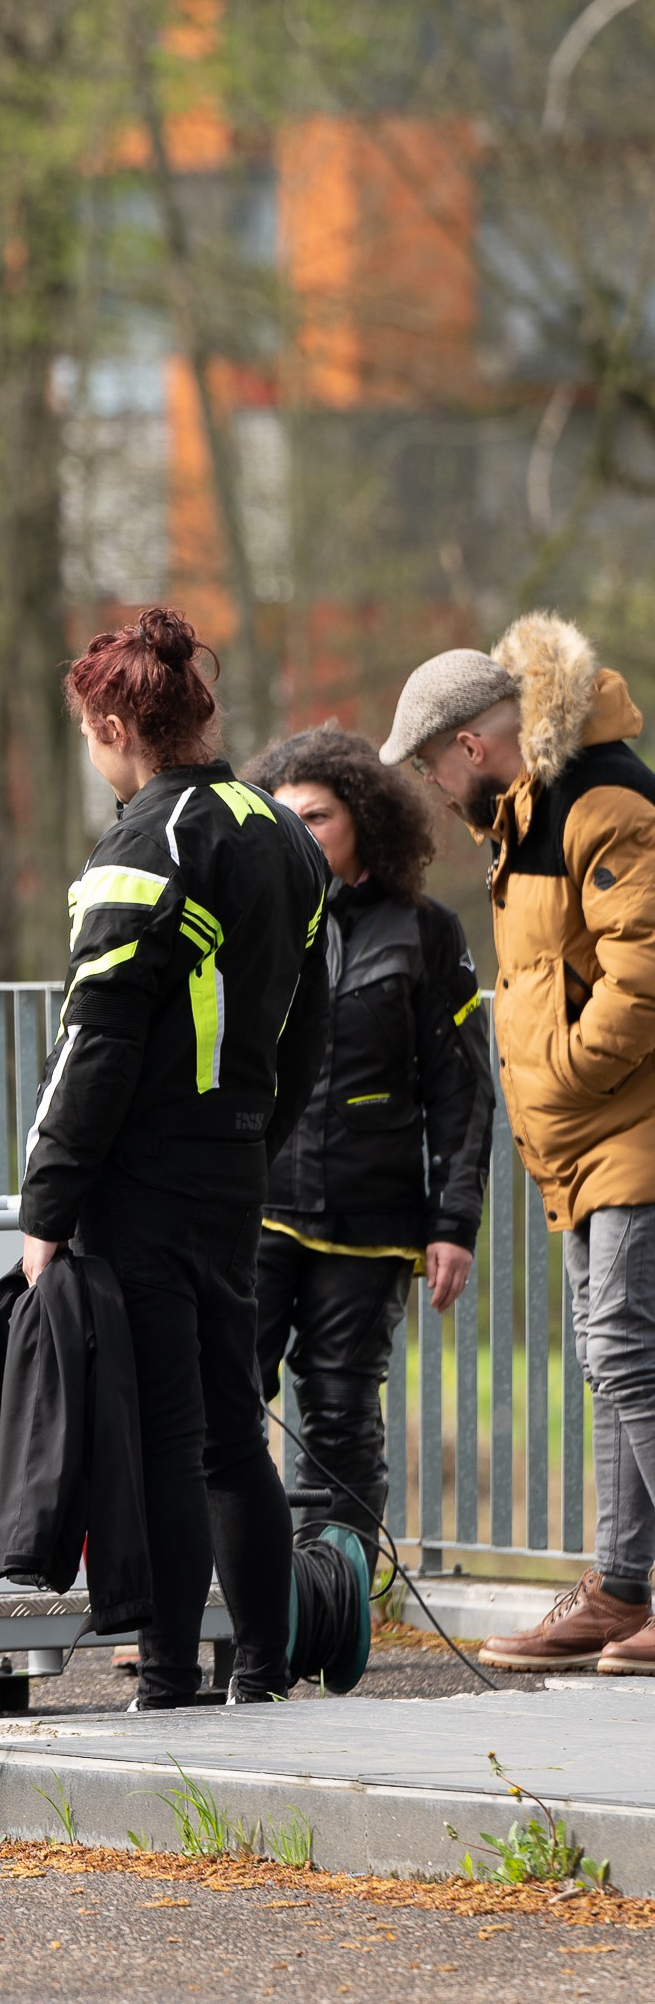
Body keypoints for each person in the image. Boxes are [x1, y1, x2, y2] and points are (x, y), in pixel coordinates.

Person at [17, 607, 332, 1707]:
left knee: (160, 1428)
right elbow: (308, 1031)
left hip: (141, 1180)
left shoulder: (147, 839)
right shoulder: (284, 833)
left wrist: (45, 1203)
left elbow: (94, 1039)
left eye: (90, 733)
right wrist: (254, 1137)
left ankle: (162, 1678)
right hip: (234, 1166)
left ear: (114, 722)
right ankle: (262, 1669)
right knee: (232, 1428)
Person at [385, 613, 655, 1675]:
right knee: (607, 1358)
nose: (443, 804)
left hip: (628, 1126)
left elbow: (642, 973)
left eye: (437, 775)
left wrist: (562, 1078)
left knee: (630, 1349)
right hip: (589, 1139)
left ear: (472, 746)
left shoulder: (605, 802)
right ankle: (623, 1584)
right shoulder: (532, 815)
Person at [244, 726, 493, 1575]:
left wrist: (455, 1221)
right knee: (220, 1396)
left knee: (343, 1413)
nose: (301, 832)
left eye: (318, 816)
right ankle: (216, 1595)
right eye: (285, 818)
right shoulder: (245, 927)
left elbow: (464, 1088)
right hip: (257, 1208)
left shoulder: (425, 931)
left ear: (365, 824)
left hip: (372, 1216)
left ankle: (333, 1601)